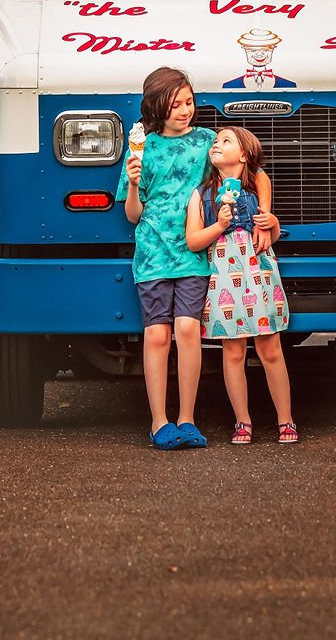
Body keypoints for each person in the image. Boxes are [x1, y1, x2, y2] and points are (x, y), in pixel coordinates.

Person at [117, 66, 214, 450]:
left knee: (189, 331)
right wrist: (135, 184)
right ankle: (159, 421)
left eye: (189, 102)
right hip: (153, 254)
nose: (184, 110)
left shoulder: (207, 142)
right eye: (175, 105)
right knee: (157, 334)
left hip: (193, 249)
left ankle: (187, 418)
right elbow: (133, 215)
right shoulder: (144, 148)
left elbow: (245, 171)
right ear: (158, 107)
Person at [186, 126, 297, 444]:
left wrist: (272, 223)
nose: (216, 144)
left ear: (244, 155)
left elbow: (270, 239)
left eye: (226, 141)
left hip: (260, 278)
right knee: (232, 352)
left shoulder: (254, 190)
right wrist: (219, 225)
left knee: (271, 350)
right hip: (224, 283)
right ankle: (242, 421)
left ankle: (285, 420)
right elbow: (193, 240)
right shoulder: (202, 195)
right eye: (215, 141)